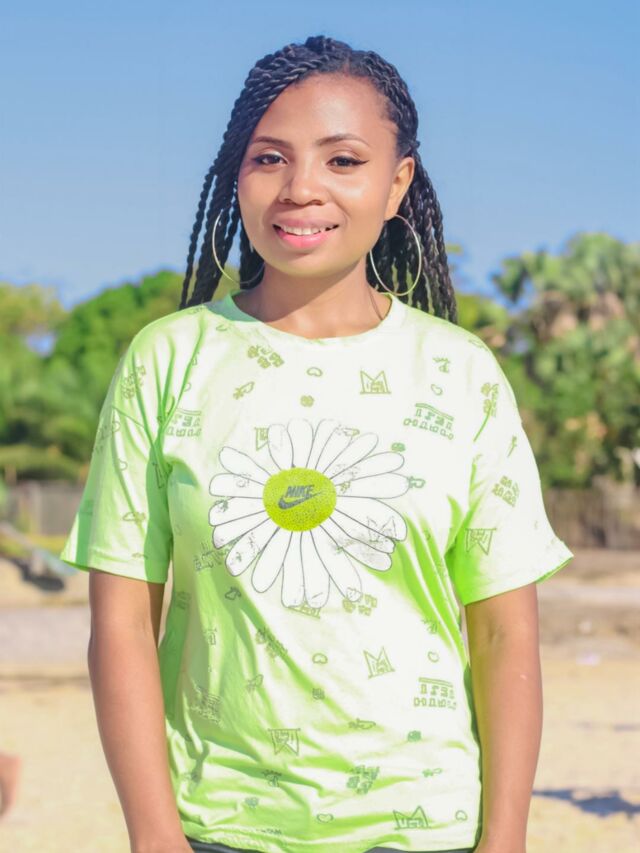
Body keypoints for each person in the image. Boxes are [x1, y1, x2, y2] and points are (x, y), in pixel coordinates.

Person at [59, 34, 574, 853]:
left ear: (397, 183)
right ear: (236, 175)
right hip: (217, 827)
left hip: (426, 829)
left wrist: (504, 837)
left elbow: (504, 633)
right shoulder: (167, 360)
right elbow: (121, 621)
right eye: (270, 158)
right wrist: (155, 837)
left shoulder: (460, 373)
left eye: (343, 160)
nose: (301, 188)